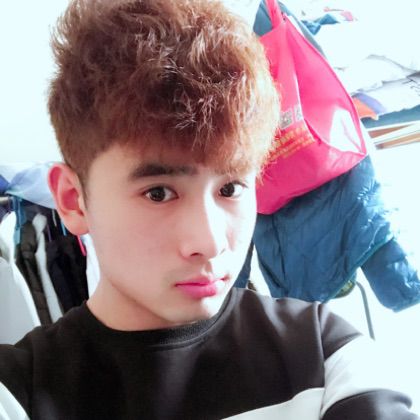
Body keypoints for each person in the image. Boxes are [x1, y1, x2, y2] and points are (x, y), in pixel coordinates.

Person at [0, 0, 418, 418]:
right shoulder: (17, 394)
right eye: (158, 193)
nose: (211, 242)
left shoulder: (327, 356)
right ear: (73, 200)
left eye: (231, 188)